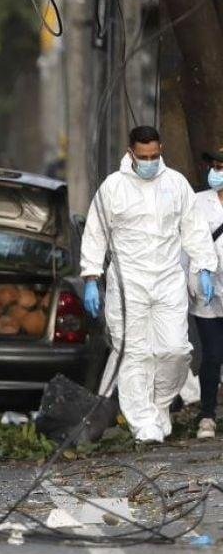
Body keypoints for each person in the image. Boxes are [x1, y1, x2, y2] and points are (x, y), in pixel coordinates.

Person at [81, 126, 217, 443]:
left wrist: (205, 268)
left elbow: (194, 229)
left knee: (176, 350)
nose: (150, 162)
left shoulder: (176, 184)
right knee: (133, 353)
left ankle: (159, 405)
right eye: (143, 157)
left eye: (155, 156)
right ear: (131, 153)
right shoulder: (113, 188)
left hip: (168, 279)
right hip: (128, 282)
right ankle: (143, 422)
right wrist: (91, 278)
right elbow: (95, 234)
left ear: (161, 150)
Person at [188, 147, 223, 439]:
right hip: (207, 293)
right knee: (212, 355)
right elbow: (186, 245)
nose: (217, 172)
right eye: (216, 166)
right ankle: (207, 415)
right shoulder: (198, 202)